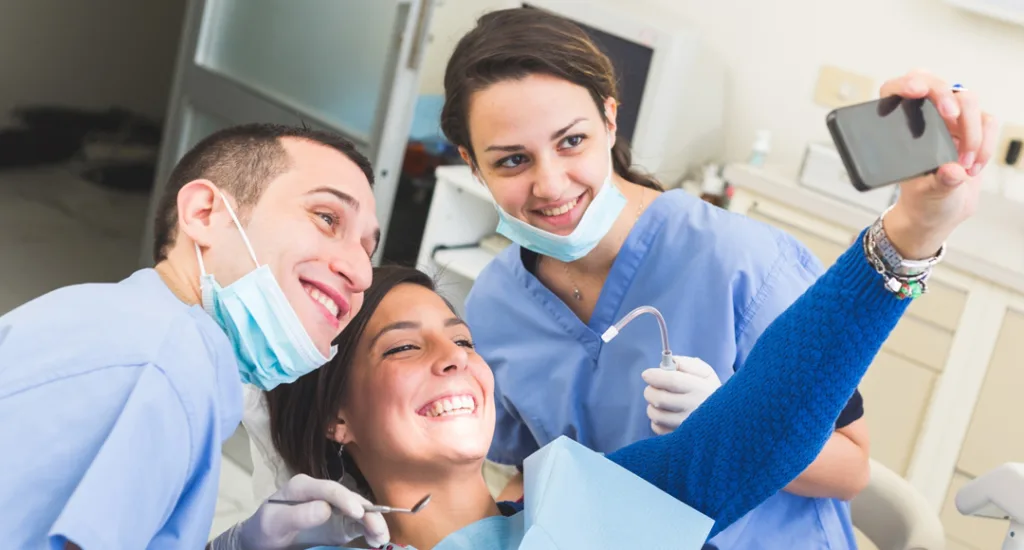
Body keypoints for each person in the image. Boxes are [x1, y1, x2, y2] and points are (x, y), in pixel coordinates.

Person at [438, 8, 996, 549]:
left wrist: (729, 415)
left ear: (610, 120)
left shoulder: (739, 259)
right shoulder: (494, 305)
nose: (551, 184)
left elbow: (851, 468)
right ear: (471, 161)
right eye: (512, 160)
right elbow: (528, 472)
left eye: (572, 141)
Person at [256, 154, 985, 548]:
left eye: (464, 340)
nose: (455, 360)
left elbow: (760, 427)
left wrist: (908, 237)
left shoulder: (583, 504)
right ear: (336, 418)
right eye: (402, 348)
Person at [0, 124, 392, 550]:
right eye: (327, 217)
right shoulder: (168, 360)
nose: (361, 273)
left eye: (367, 251)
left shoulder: (114, 319)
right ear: (205, 214)